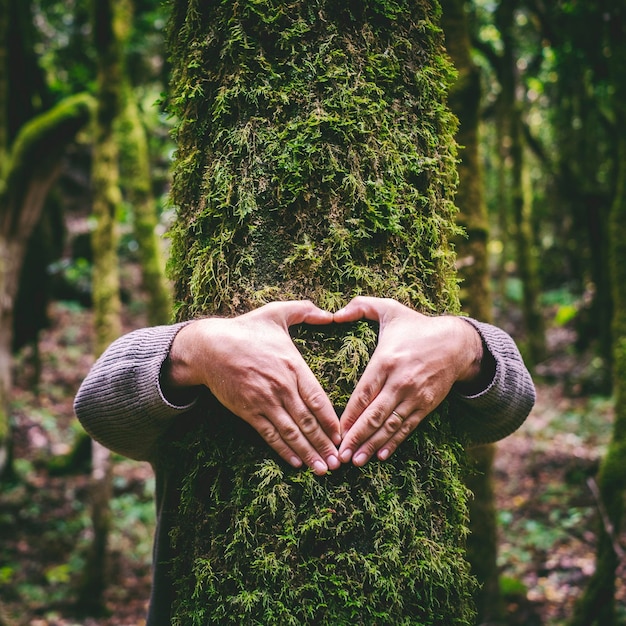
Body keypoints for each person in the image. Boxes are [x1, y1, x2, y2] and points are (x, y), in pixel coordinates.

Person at [74, 295, 535, 623]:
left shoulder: (427, 367)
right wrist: (195, 350)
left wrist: (464, 344)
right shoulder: (200, 379)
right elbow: (95, 405)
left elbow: (511, 405)